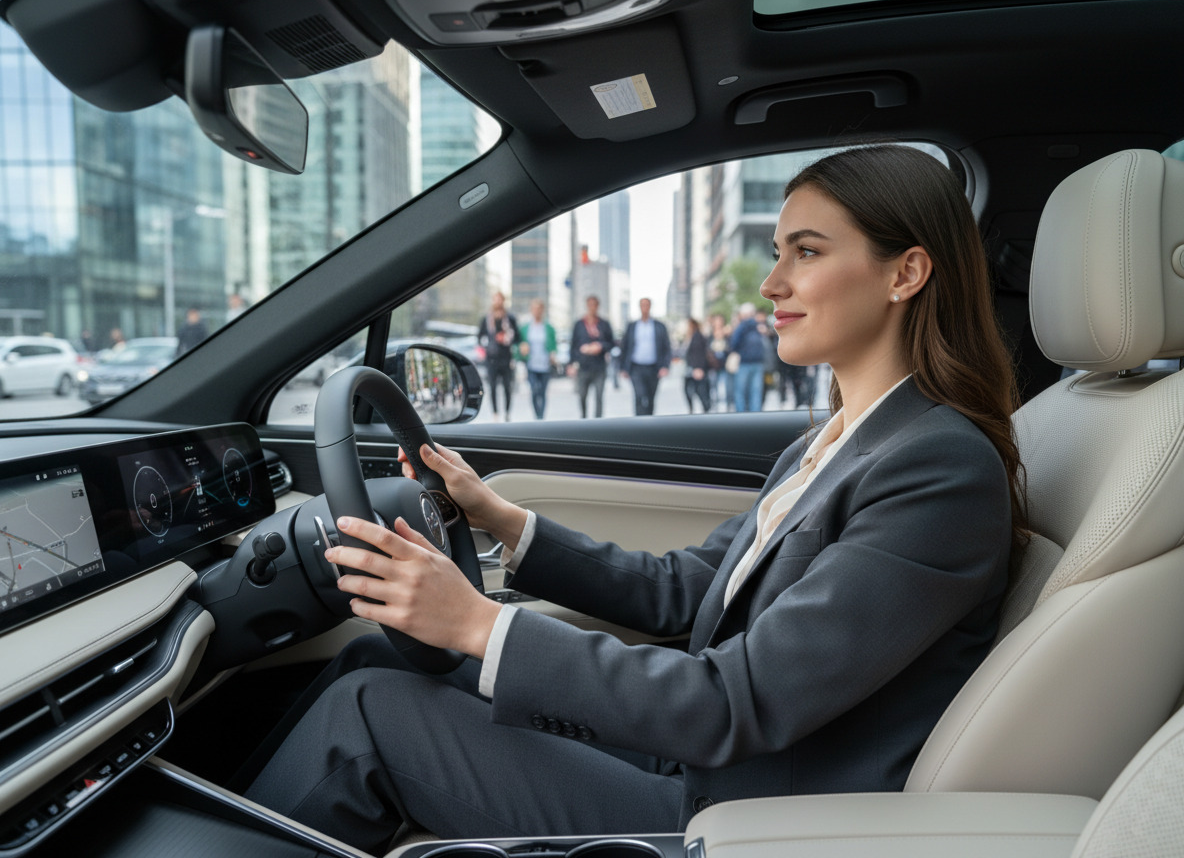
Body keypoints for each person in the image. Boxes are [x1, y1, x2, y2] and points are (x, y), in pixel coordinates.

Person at [244, 145, 1027, 852]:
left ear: (905, 274)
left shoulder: (939, 470)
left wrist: (477, 622)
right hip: (706, 763)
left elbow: (736, 702)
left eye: (808, 252)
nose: (771, 283)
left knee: (369, 716)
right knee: (373, 654)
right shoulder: (829, 444)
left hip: (747, 817)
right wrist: (501, 519)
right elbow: (685, 590)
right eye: (778, 252)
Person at [619, 297, 672, 416]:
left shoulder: (659, 326)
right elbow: (625, 347)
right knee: (639, 395)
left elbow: (666, 348)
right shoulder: (632, 326)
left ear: (650, 307)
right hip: (636, 367)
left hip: (654, 367)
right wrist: (623, 367)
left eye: (647, 305)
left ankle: (649, 421)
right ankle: (639, 422)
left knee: (650, 397)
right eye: (642, 305)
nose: (645, 308)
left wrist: (665, 366)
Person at [478, 291, 520, 422]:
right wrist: (485, 347)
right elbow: (480, 337)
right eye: (495, 299)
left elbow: (517, 337)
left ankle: (507, 413)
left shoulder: (510, 319)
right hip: (491, 358)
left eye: (500, 299)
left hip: (506, 358)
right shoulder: (487, 319)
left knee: (508, 387)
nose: (498, 302)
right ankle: (495, 413)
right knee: (492, 387)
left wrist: (507, 337)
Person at [569, 295, 614, 418]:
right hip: (583, 366)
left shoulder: (604, 324)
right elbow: (573, 345)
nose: (592, 307)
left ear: (598, 306)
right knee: (582, 395)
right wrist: (571, 364)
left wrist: (600, 346)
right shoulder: (579, 324)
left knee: (599, 395)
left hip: (599, 366)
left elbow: (611, 343)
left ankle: (598, 421)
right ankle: (584, 418)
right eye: (590, 305)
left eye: (594, 305)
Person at [521, 298, 558, 420]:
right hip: (531, 364)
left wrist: (553, 354)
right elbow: (520, 344)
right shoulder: (526, 328)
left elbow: (553, 345)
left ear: (543, 310)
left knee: (542, 392)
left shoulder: (548, 328)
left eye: (539, 309)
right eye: (534, 309)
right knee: (534, 390)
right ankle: (537, 415)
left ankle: (541, 417)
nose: (537, 311)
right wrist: (522, 349)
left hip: (544, 364)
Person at [728, 302, 767, 413]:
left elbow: (734, 343)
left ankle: (741, 415)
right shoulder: (759, 326)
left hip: (744, 363)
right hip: (758, 362)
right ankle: (755, 414)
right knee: (755, 392)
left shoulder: (742, 327)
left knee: (740, 392)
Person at [682, 317, 713, 413]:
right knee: (690, 391)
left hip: (696, 370)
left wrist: (698, 368)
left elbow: (699, 354)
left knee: (699, 391)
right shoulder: (692, 337)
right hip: (691, 369)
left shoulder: (697, 337)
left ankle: (704, 410)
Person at [708, 314, 732, 411]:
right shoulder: (710, 335)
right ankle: (715, 407)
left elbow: (730, 348)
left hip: (724, 365)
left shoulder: (727, 335)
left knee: (725, 388)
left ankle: (726, 407)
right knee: (713, 388)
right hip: (713, 366)